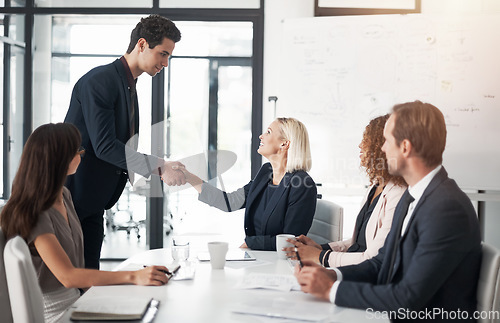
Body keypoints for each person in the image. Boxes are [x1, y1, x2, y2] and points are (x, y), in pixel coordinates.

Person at [294, 101, 481, 322]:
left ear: (405, 147)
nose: (382, 148)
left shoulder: (446, 208)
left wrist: (330, 291)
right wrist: (332, 275)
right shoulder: (414, 197)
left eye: (387, 140)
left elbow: (407, 299)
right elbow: (381, 263)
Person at [0, 123, 172, 323]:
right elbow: (68, 276)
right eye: (77, 150)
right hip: (55, 314)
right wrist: (133, 276)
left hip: (77, 301)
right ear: (59, 160)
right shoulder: (36, 212)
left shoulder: (64, 195)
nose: (81, 155)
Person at [64, 14, 186, 269]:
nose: (165, 63)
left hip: (93, 200)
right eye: (162, 54)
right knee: (75, 279)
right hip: (73, 197)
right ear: (141, 44)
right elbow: (106, 146)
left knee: (89, 274)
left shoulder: (127, 84)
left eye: (168, 57)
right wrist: (160, 166)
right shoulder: (101, 82)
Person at [285, 114, 406, 267]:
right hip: (352, 266)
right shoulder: (375, 185)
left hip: (364, 273)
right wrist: (321, 248)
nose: (360, 146)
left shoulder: (399, 193)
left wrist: (321, 256)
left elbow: (373, 257)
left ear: (382, 145)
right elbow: (359, 243)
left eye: (367, 140)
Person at [182, 117, 317, 251]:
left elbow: (290, 240)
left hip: (280, 261)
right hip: (257, 257)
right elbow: (230, 201)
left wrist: (252, 243)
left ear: (284, 144)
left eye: (268, 132)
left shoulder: (303, 185)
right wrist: (189, 178)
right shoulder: (266, 173)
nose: (261, 136)